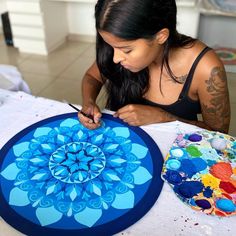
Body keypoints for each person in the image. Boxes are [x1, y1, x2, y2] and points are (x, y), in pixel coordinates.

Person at [78, 0, 230, 133]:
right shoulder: (117, 46)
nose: (116, 58)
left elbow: (219, 135)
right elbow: (92, 76)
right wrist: (89, 102)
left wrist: (164, 117)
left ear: (161, 36)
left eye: (126, 50)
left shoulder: (205, 67)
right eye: (110, 46)